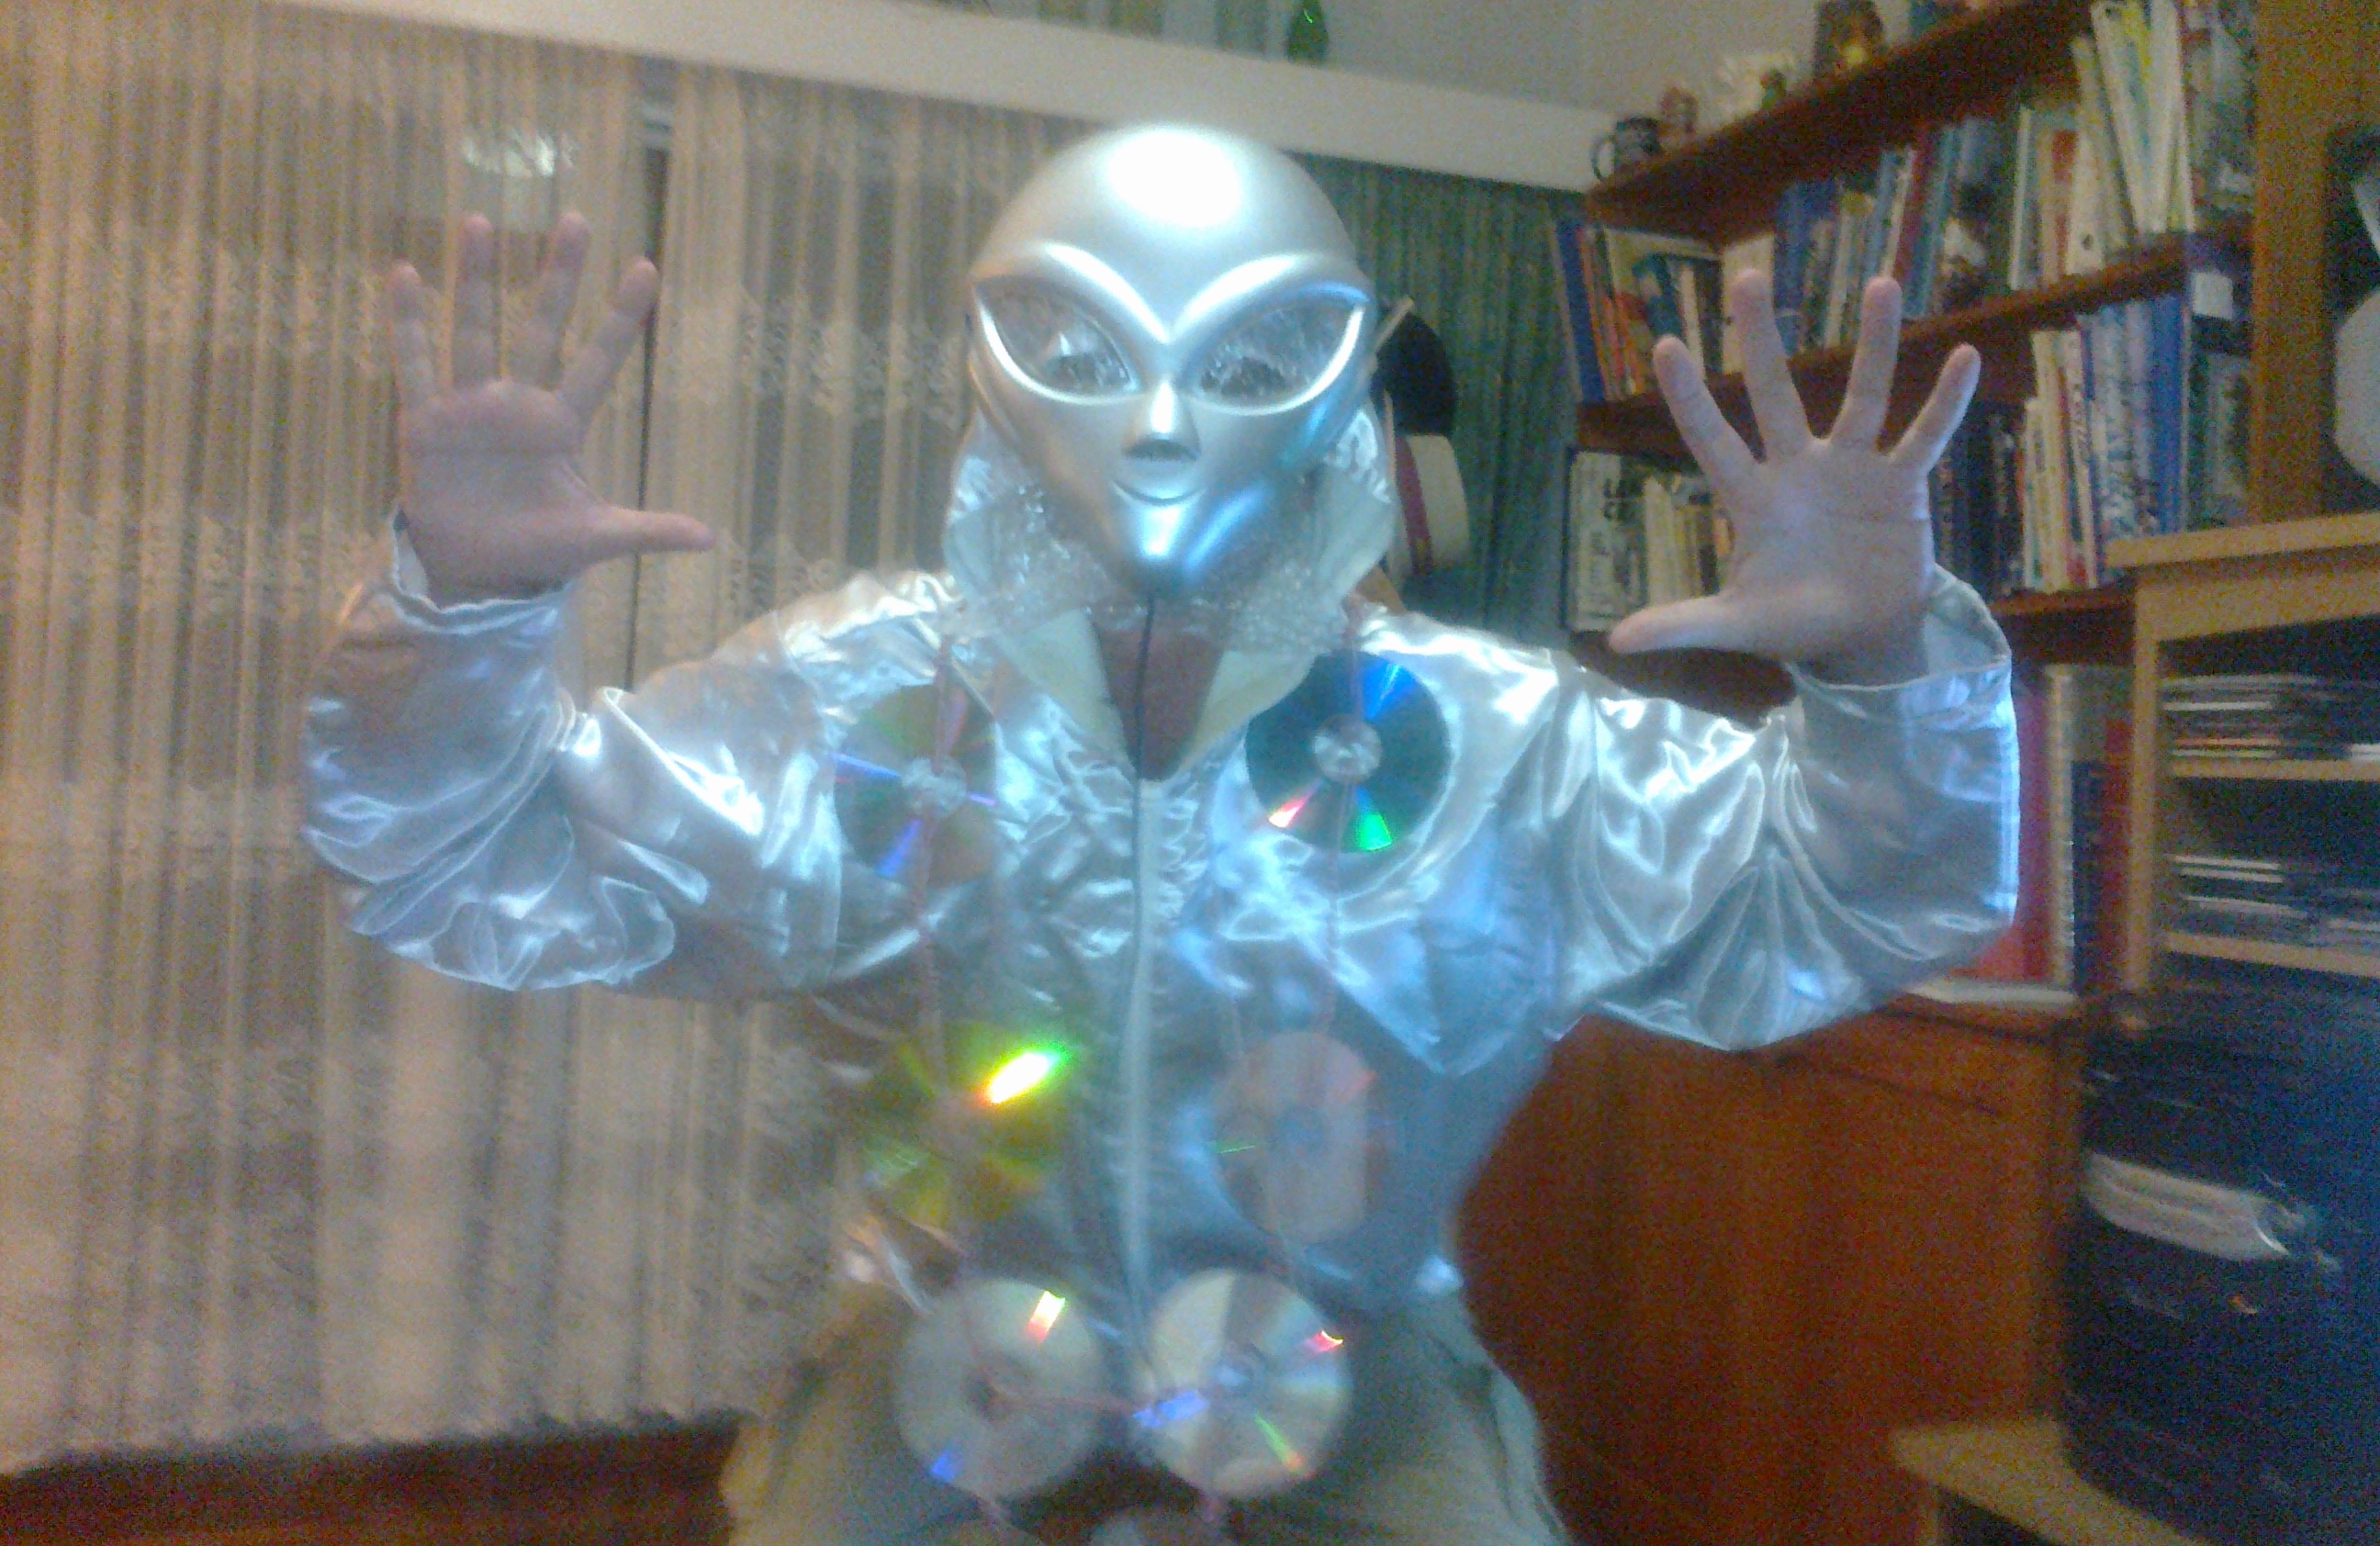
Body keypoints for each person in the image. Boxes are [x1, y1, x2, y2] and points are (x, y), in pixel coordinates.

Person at [303, 124, 2015, 1545]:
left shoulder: (1489, 749)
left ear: (1327, 385)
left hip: (1346, 1351)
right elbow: (478, 850)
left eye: (1246, 359)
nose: (1170, 426)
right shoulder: (860, 705)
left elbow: (1847, 890)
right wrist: (462, 608)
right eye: (1091, 349)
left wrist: (1885, 665)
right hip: (952, 1328)